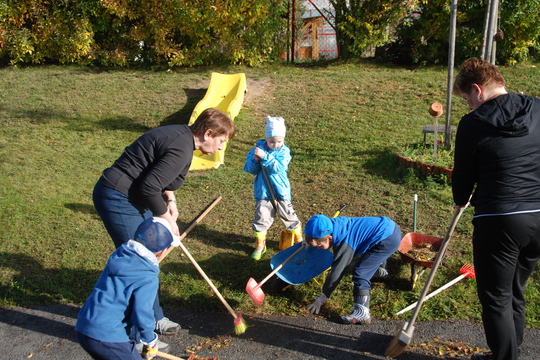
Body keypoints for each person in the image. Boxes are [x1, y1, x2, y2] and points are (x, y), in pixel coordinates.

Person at [92, 108, 234, 344]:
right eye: (221, 141)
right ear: (208, 133)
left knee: (150, 259)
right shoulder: (181, 146)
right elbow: (149, 186)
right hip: (118, 197)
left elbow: (160, 176)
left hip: (135, 196)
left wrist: (171, 201)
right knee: (137, 265)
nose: (221, 147)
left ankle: (153, 318)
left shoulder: (185, 140)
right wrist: (167, 220)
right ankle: (134, 337)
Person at [452, 57, 540, 360]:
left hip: (500, 218)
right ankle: (510, 352)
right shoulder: (537, 108)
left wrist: (461, 199)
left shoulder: (473, 123)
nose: (467, 106)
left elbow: (463, 172)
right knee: (515, 288)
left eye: (466, 99)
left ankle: (504, 358)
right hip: (539, 215)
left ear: (477, 90)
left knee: (496, 297)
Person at [75, 217, 180, 360]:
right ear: (162, 251)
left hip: (84, 325)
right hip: (108, 334)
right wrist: (150, 340)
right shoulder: (147, 277)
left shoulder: (120, 255)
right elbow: (142, 312)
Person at [304, 214, 401, 324]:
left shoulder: (345, 242)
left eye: (319, 246)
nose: (318, 248)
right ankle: (380, 272)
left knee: (361, 272)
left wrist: (322, 298)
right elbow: (315, 231)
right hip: (388, 227)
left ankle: (362, 312)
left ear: (329, 238)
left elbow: (337, 272)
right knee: (371, 253)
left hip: (387, 239)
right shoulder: (332, 225)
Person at [244, 116, 302, 260]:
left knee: (288, 216)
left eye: (279, 141)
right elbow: (250, 169)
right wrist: (256, 160)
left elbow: (278, 168)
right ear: (266, 138)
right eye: (271, 141)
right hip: (263, 192)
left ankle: (300, 242)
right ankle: (260, 245)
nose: (275, 144)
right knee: (261, 218)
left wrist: (265, 157)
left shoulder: (284, 152)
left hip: (280, 191)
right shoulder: (257, 150)